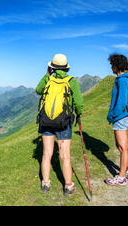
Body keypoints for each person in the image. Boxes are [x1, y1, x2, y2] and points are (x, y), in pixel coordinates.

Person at [36, 54, 84, 196]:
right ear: (66, 67)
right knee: (65, 156)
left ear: (52, 66)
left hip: (46, 121)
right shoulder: (72, 81)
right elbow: (79, 102)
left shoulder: (48, 79)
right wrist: (79, 114)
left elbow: (38, 90)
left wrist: (47, 75)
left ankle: (45, 183)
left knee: (46, 154)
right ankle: (68, 187)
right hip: (64, 123)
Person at [105, 54, 128, 185]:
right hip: (121, 117)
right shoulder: (122, 79)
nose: (111, 67)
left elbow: (122, 102)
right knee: (121, 146)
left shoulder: (122, 80)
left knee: (122, 147)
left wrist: (112, 115)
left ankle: (121, 177)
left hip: (120, 117)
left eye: (112, 64)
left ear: (117, 65)